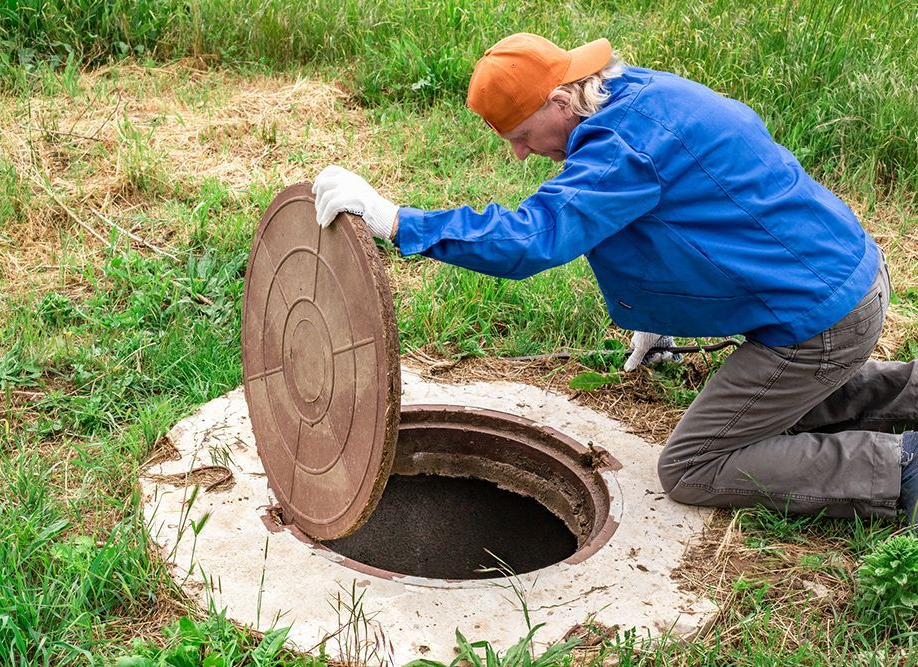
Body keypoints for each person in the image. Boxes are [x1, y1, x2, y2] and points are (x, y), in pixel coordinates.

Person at [310, 33, 918, 526]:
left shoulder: (621, 147)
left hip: (819, 320)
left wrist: (397, 221)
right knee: (778, 408)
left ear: (558, 102)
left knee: (692, 467)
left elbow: (534, 236)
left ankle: (900, 469)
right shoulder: (633, 93)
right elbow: (684, 216)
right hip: (842, 278)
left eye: (520, 136)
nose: (520, 155)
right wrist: (660, 317)